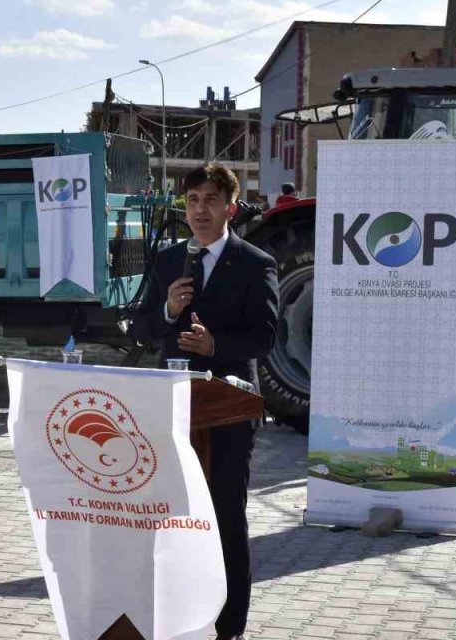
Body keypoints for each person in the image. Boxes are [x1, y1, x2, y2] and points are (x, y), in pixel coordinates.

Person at [131, 164, 278, 640]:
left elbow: (266, 337)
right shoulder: (169, 260)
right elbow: (141, 330)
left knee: (225, 516)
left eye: (210, 200)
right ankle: (175, 615)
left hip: (230, 411)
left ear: (230, 208)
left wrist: (216, 347)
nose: (200, 210)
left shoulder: (256, 263)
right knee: (171, 518)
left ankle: (229, 626)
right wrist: (168, 310)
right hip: (173, 409)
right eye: (192, 200)